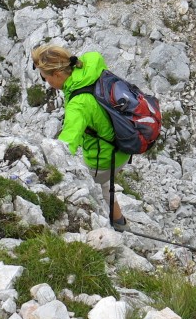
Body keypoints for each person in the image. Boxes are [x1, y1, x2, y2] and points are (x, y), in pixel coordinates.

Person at [31, 44, 130, 231]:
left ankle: (107, 229)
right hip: (121, 145)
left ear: (58, 75)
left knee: (85, 188)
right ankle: (120, 222)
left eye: (45, 79)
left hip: (105, 158)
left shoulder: (78, 106)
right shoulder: (89, 64)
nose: (46, 83)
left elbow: (63, 148)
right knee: (105, 183)